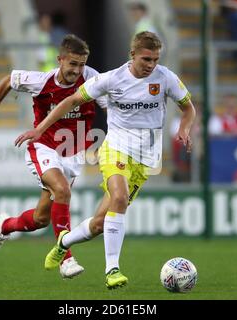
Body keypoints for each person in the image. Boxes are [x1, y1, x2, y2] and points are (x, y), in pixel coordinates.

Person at [15, 31, 196, 289]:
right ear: (132, 54)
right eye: (146, 59)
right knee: (119, 197)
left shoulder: (166, 78)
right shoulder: (111, 79)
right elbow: (71, 100)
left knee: (100, 223)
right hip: (115, 149)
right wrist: (40, 128)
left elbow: (188, 108)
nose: (151, 65)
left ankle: (62, 243)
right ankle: (112, 270)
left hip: (145, 158)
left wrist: (184, 128)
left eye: (155, 59)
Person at [0, 34, 107, 279]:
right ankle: (65, 260)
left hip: (73, 153)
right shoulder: (41, 81)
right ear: (60, 60)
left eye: (81, 64)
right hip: (44, 147)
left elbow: (111, 108)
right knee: (63, 191)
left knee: (40, 219)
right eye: (72, 64)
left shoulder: (93, 79)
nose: (77, 70)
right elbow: (7, 81)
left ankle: (5, 226)